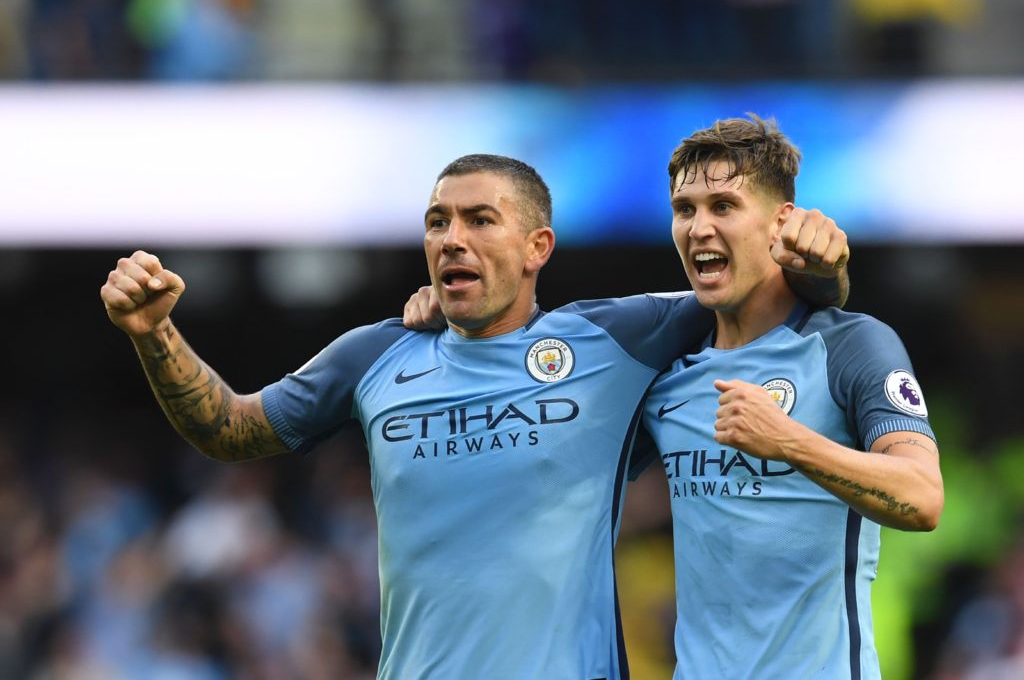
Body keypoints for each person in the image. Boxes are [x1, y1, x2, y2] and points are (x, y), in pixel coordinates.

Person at [100, 153, 846, 679]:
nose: (451, 237)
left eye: (479, 220)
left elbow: (766, 294)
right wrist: (154, 334)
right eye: (437, 221)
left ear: (536, 248)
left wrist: (825, 262)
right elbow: (230, 428)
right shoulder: (377, 355)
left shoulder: (614, 338)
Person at [641, 115, 943, 679]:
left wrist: (789, 441)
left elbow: (923, 497)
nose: (699, 227)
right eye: (685, 210)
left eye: (724, 206)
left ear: (783, 222)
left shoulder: (850, 345)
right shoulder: (667, 375)